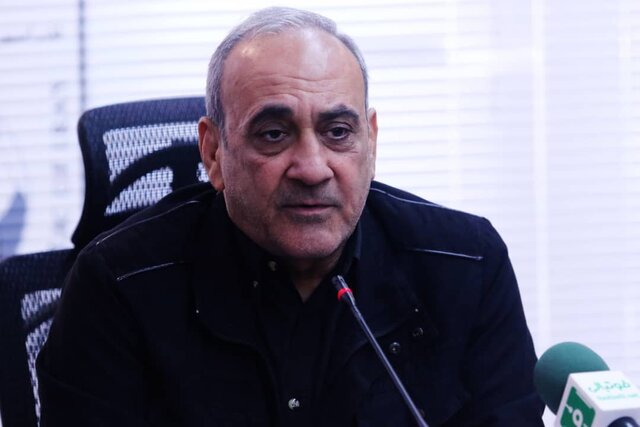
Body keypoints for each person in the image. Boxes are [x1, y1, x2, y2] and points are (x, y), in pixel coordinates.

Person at [37, 6, 544, 426]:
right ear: (213, 153)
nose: (312, 168)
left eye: (338, 132)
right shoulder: (119, 285)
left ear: (370, 142)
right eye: (274, 134)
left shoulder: (468, 265)